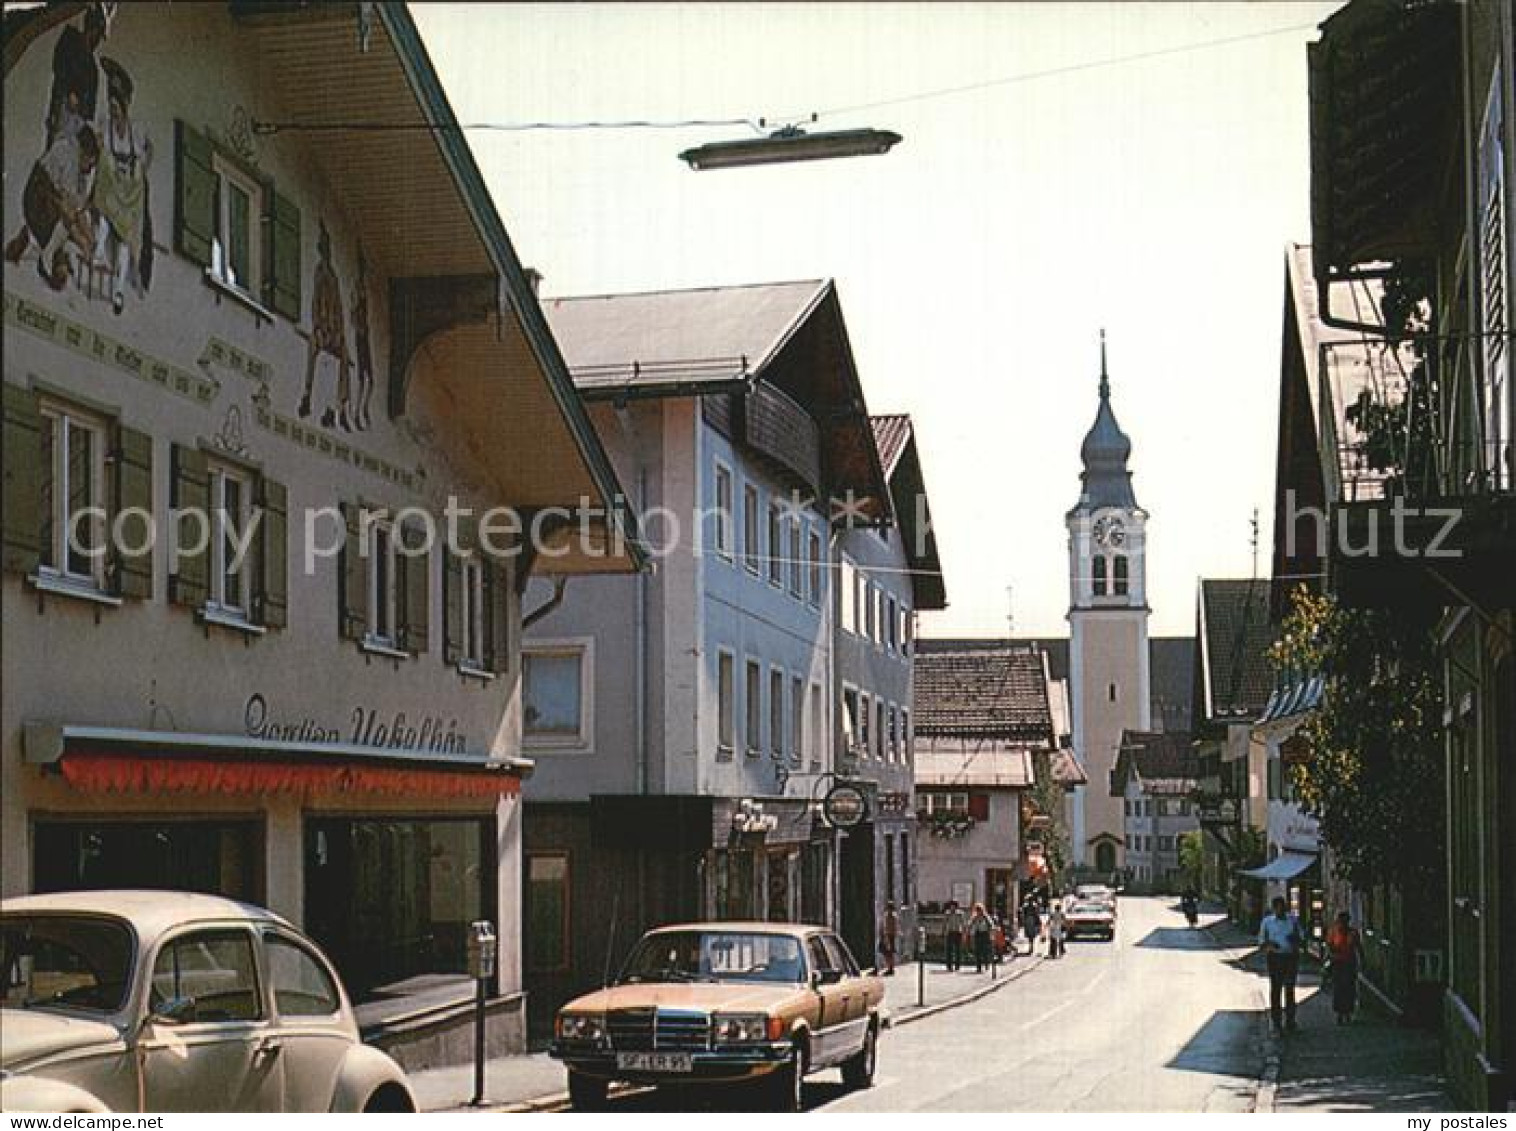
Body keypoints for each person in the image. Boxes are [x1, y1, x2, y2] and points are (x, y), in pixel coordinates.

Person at [1258, 896, 1304, 1034]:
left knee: (1290, 989)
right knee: (1276, 989)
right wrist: (1270, 944)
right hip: (1275, 958)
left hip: (1290, 957)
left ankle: (1290, 1020)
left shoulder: (1293, 920)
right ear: (1274, 909)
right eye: (1277, 908)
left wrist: (1295, 939)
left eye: (1282, 907)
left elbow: (1301, 936)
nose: (1280, 910)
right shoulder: (1267, 922)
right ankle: (1276, 1021)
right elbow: (1261, 941)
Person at [1325, 911, 1365, 1024]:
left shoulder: (1353, 933)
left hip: (1349, 963)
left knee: (1349, 988)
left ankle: (1348, 1012)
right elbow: (1329, 946)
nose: (1342, 924)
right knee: (1338, 988)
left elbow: (1358, 947)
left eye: (1345, 921)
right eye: (1341, 921)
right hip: (1337, 963)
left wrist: (1362, 960)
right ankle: (1340, 1013)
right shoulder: (1333, 932)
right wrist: (1329, 959)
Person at [968, 902, 993, 973]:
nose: (978, 912)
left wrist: (991, 933)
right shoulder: (974, 917)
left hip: (984, 934)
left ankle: (986, 965)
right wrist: (970, 931)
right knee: (977, 951)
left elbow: (991, 925)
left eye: (979, 910)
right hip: (977, 934)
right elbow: (970, 925)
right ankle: (978, 967)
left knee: (985, 951)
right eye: (977, 910)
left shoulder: (986, 917)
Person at [943, 900, 966, 972]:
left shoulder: (960, 913)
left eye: (953, 906)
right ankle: (949, 966)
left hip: (958, 932)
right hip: (950, 932)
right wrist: (943, 931)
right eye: (951, 906)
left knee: (958, 950)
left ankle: (957, 966)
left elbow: (963, 923)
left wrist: (964, 932)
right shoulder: (947, 913)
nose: (952, 907)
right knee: (949, 950)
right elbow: (945, 923)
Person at [879, 901, 899, 976]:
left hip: (890, 936)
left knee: (889, 953)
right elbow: (883, 925)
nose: (889, 910)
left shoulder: (892, 917)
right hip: (886, 936)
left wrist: (887, 936)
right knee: (886, 953)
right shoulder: (886, 915)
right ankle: (889, 967)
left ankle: (890, 968)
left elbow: (892, 927)